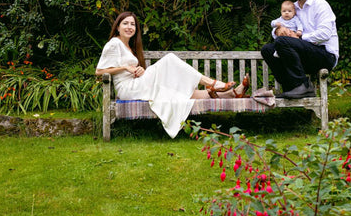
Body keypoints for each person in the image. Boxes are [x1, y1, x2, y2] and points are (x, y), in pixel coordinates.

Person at [95, 12, 249, 137]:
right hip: (127, 90)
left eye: (133, 24)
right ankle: (214, 83)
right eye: (125, 23)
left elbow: (130, 69)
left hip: (136, 84)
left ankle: (231, 93)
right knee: (169, 59)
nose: (129, 27)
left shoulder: (128, 46)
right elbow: (99, 72)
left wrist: (138, 71)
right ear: (117, 27)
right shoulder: (114, 43)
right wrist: (124, 68)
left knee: (178, 91)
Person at [261, 0, 339, 99]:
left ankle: (303, 86)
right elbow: (279, 25)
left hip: (325, 55)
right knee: (267, 50)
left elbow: (325, 34)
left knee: (283, 42)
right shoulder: (292, 8)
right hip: (304, 55)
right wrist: (278, 31)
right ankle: (291, 87)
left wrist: (299, 37)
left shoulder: (320, 5)